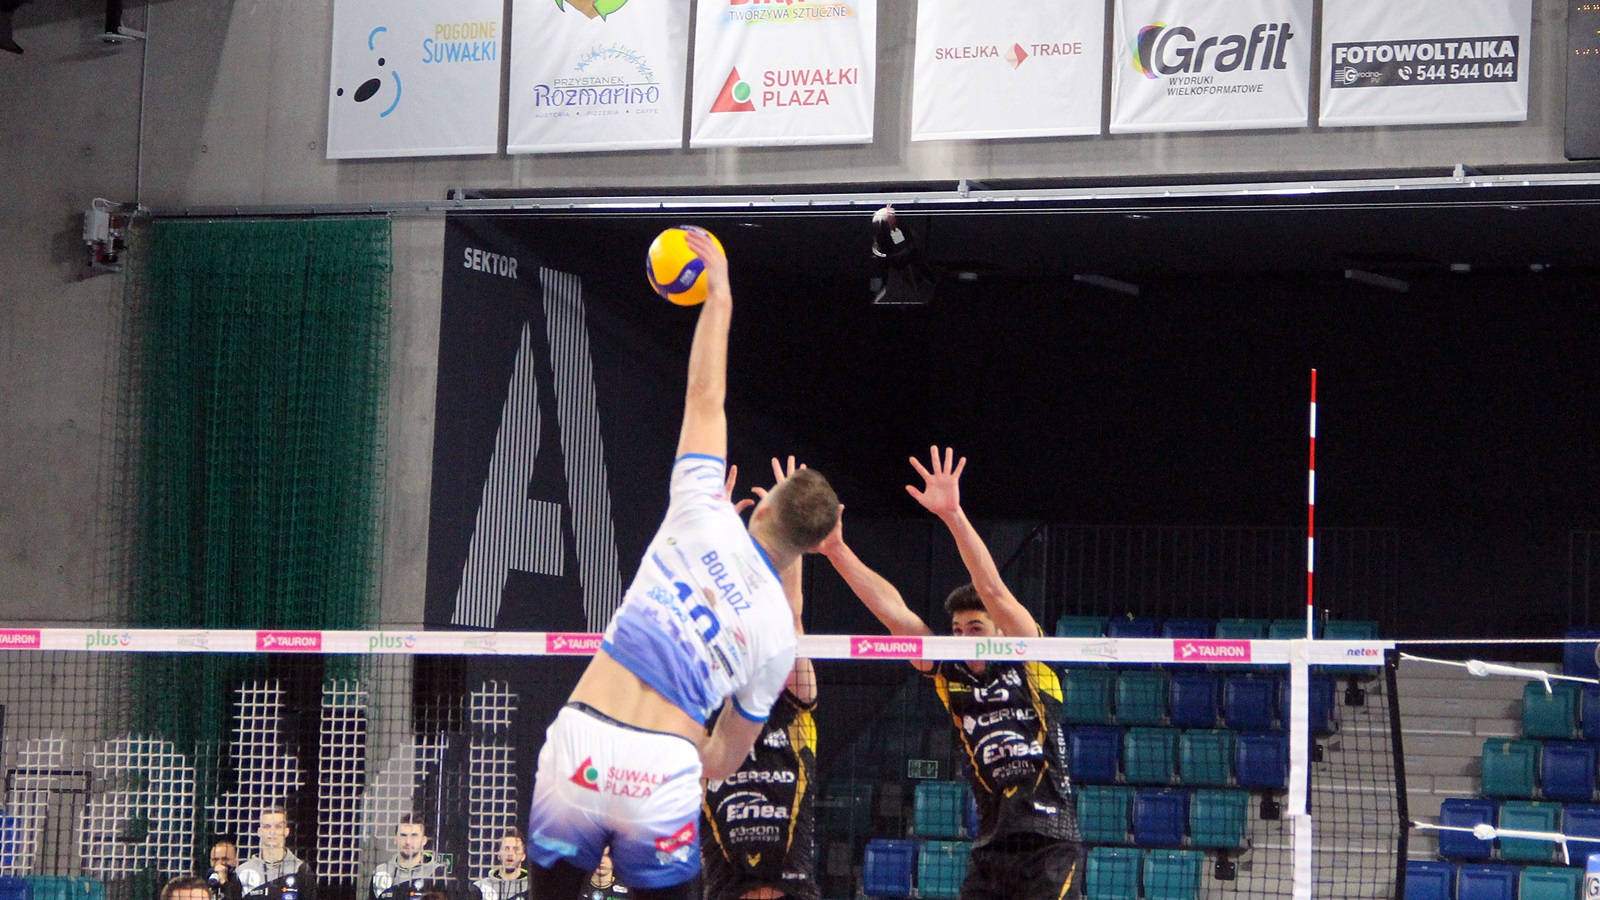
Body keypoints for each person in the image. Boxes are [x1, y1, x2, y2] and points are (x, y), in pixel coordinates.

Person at [525, 228, 841, 900]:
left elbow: (705, 398)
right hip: (665, 763)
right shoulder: (778, 639)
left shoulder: (700, 507)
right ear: (813, 548)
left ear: (762, 505)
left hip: (582, 737)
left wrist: (719, 295)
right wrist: (660, 761)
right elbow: (722, 761)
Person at [821, 447, 1082, 900]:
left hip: (1050, 842)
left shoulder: (1031, 659)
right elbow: (896, 616)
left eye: (975, 628)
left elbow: (993, 590)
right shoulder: (949, 676)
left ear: (999, 630)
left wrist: (953, 515)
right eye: (957, 630)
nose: (963, 638)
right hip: (991, 846)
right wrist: (836, 550)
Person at [701, 460, 820, 900]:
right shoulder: (707, 707)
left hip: (790, 886)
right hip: (728, 886)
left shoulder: (794, 702)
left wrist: (789, 526)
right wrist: (711, 535)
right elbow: (703, 606)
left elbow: (792, 613)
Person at [236, 806, 315, 900]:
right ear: (259, 832)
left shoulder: (300, 870)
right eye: (267, 826)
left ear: (286, 832)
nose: (272, 832)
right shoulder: (243, 871)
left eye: (278, 827)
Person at [370, 814, 447, 900]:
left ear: (424, 841)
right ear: (395, 839)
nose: (408, 841)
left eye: (414, 836)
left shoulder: (436, 873)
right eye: (403, 835)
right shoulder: (381, 872)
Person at [470, 828, 530, 900]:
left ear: (523, 856)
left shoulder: (532, 889)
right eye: (506, 848)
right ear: (498, 855)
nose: (510, 853)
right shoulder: (480, 888)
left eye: (516, 849)